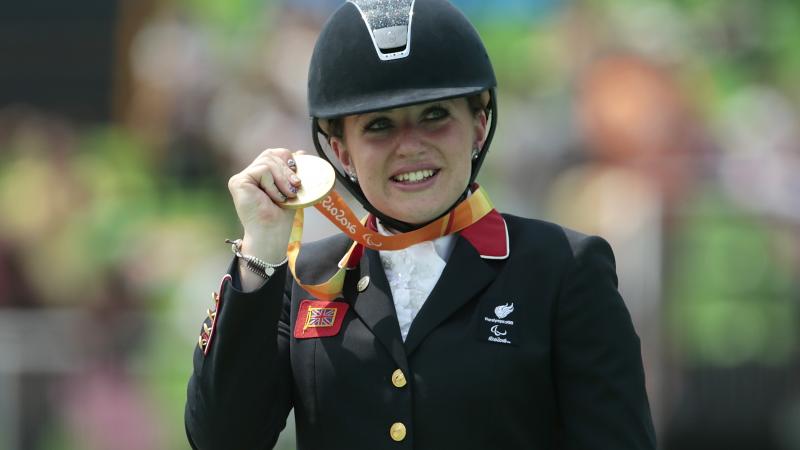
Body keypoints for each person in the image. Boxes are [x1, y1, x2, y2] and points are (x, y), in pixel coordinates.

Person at [185, 0, 656, 449]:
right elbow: (223, 439)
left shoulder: (563, 269)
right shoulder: (305, 279)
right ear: (341, 149)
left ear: (478, 123)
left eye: (435, 116)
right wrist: (261, 251)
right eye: (379, 125)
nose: (410, 146)